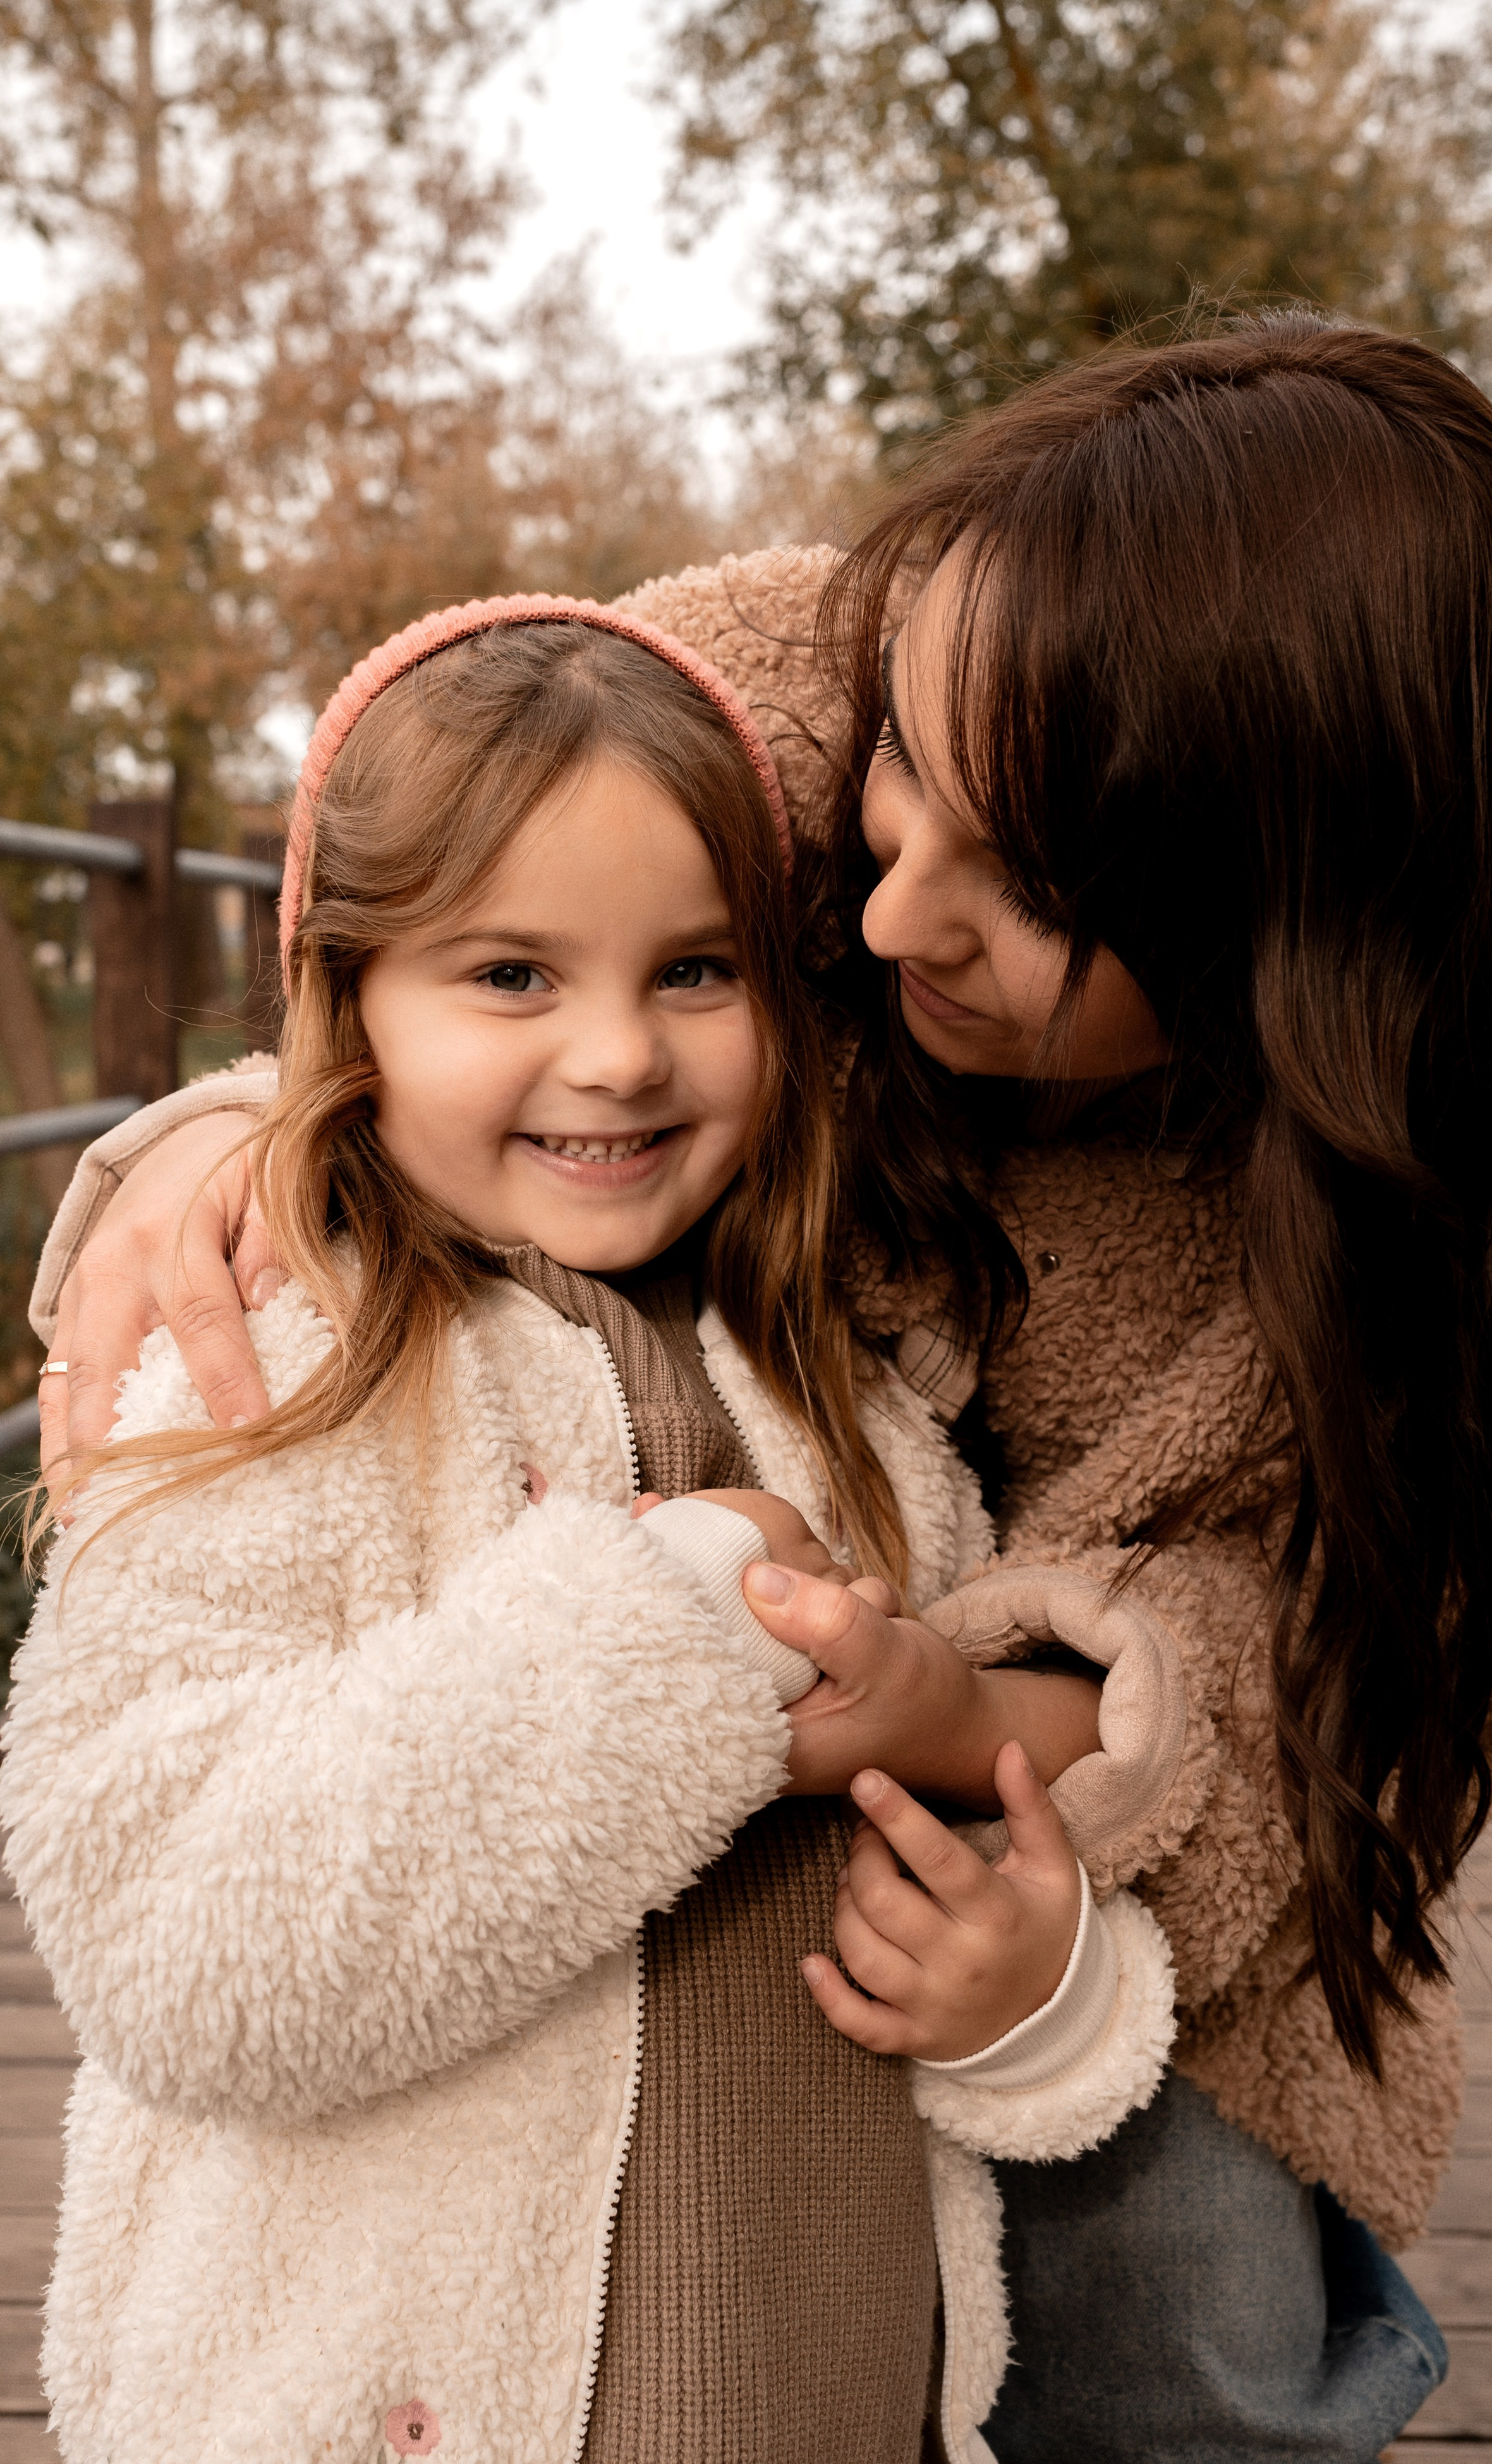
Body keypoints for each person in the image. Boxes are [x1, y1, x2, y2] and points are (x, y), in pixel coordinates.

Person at [28, 312, 1492, 2459]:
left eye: (1029, 881)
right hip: (683, 1645)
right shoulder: (797, 687)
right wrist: (243, 1129)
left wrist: (962, 1742)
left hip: (1086, 1787)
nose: (881, 916)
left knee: (1178, 2307)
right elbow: (438, 878)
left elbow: (1351, 1683)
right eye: (899, 789)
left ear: (1292, 940)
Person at [1, 595, 1179, 2464]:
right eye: (511, 975)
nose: (622, 1054)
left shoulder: (861, 1407)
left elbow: (966, 1865)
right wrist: (667, 1629)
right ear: (349, 998)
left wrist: (1038, 2004)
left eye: (695, 970)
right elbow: (170, 1948)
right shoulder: (272, 1370)